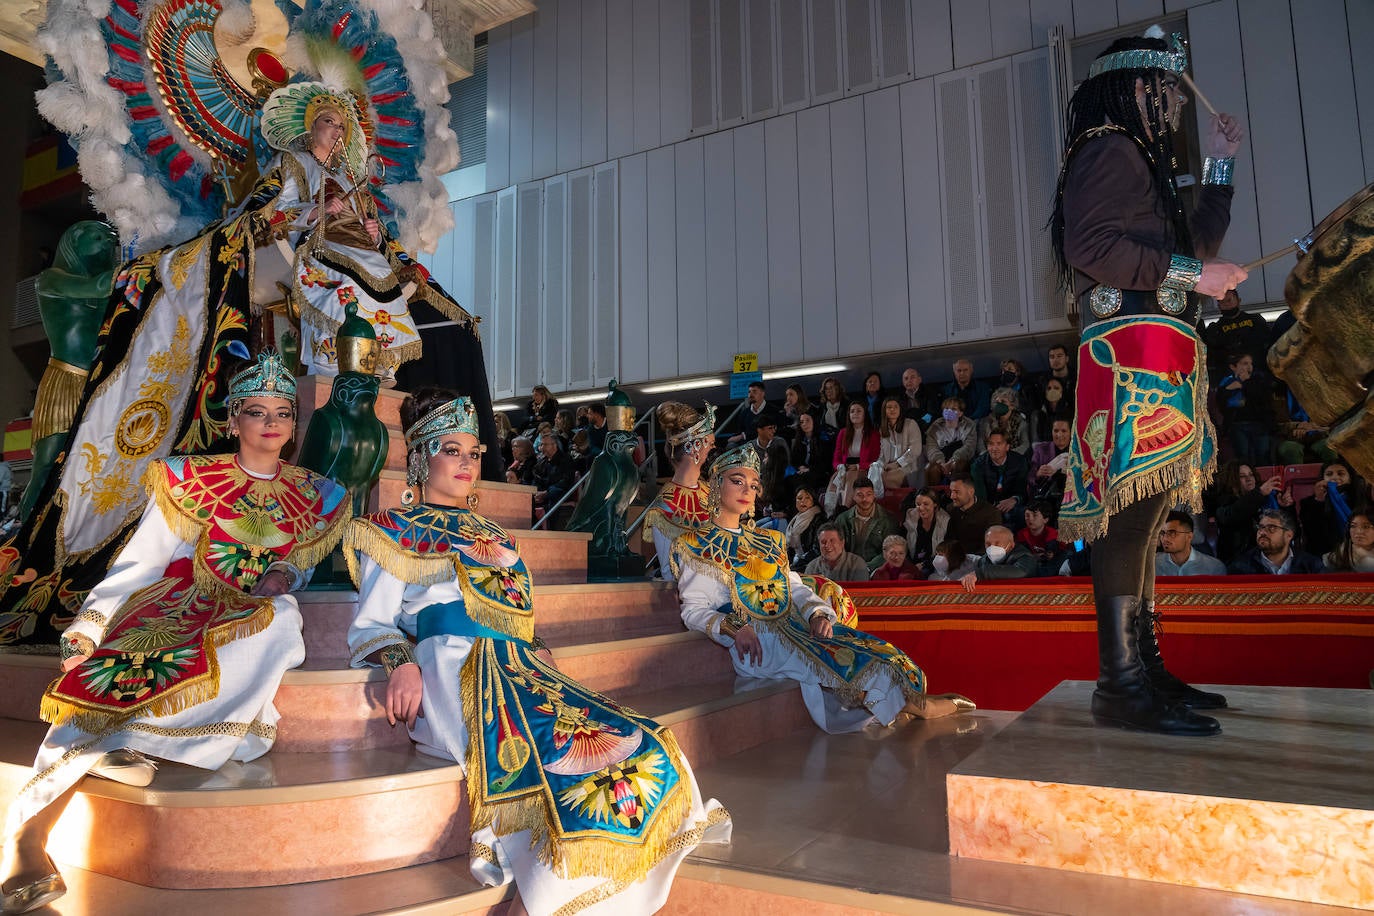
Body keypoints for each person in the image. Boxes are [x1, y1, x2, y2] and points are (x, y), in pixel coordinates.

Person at [346, 389, 729, 916]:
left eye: (474, 453)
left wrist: (538, 647)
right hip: (455, 670)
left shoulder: (494, 534)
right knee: (552, 763)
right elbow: (371, 624)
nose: (467, 463)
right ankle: (545, 893)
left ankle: (570, 886)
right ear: (420, 455)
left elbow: (517, 614)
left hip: (519, 665)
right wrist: (401, 662)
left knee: (640, 741)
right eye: (451, 450)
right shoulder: (390, 530)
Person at [0, 352, 350, 914]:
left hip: (247, 613)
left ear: (294, 422)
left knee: (284, 617)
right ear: (233, 421)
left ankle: (131, 739)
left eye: (282, 411)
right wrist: (91, 625)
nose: (271, 422)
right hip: (175, 603)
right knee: (107, 682)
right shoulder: (189, 478)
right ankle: (29, 831)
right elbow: (140, 562)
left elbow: (299, 560)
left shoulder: (316, 493)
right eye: (256, 412)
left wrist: (288, 572)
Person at [1050, 30, 1248, 735]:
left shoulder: (1137, 160)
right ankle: (1120, 683)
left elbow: (1190, 249)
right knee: (1132, 513)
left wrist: (1217, 168)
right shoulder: (1109, 145)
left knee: (1155, 503)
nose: (1171, 106)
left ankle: (1144, 671)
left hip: (1155, 344)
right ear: (1138, 87)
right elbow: (1092, 247)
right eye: (1165, 92)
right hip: (1128, 350)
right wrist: (1198, 277)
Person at [671, 445, 973, 733]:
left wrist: (817, 612)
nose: (747, 491)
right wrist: (735, 629)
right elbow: (694, 609)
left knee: (874, 649)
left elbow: (792, 587)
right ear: (716, 485)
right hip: (761, 643)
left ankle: (907, 702)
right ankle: (921, 707)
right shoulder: (694, 545)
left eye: (753, 485)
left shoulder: (768, 540)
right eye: (737, 481)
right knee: (848, 660)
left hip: (797, 625)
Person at [642, 402, 716, 579]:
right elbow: (670, 571)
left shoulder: (712, 491)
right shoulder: (665, 506)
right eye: (710, 443)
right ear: (694, 448)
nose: (713, 449)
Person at [1214, 352, 1276, 467]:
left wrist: (1245, 383)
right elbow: (1221, 404)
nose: (1249, 367)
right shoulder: (1227, 382)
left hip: (1259, 423)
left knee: (1262, 454)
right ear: (1233, 367)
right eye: (1244, 363)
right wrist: (1229, 388)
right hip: (1237, 424)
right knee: (1243, 454)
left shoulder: (1258, 380)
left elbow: (1261, 400)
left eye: (1250, 364)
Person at [1298, 459, 1368, 558]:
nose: (1334, 477)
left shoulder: (1361, 500)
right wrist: (1319, 501)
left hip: (1360, 552)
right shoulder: (1309, 503)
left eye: (1341, 474)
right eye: (1329, 474)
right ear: (1322, 478)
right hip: (1325, 554)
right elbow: (1312, 533)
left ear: (1350, 478)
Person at [1227, 508, 1323, 575]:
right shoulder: (1240, 567)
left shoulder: (1312, 565)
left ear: (1288, 535)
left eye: (1272, 528)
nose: (1263, 532)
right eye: (1261, 527)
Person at [1202, 289, 1270, 377]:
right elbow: (1214, 357)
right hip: (1231, 377)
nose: (1226, 304)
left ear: (1238, 300)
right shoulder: (1215, 329)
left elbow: (1266, 345)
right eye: (1221, 302)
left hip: (1258, 372)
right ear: (1218, 305)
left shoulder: (1255, 320)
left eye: (1229, 300)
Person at [970, 430, 1029, 526]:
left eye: (999, 444)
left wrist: (1014, 499)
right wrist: (994, 509)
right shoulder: (978, 465)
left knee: (1022, 514)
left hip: (1012, 504)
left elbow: (1022, 491)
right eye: (991, 444)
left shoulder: (1020, 462)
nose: (994, 448)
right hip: (989, 506)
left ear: (1007, 447)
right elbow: (980, 496)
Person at [834, 478, 898, 565]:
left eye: (868, 494)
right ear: (853, 496)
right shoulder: (842, 519)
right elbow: (836, 546)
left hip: (876, 568)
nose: (864, 499)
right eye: (860, 495)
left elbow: (890, 549)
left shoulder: (887, 519)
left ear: (874, 495)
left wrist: (868, 567)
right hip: (848, 566)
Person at [959, 525, 1037, 591]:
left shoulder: (1025, 556)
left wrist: (979, 573)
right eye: (988, 544)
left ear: (1011, 545)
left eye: (997, 543)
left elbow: (1021, 571)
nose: (992, 547)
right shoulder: (983, 560)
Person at [923, 397, 978, 485]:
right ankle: (934, 495)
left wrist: (953, 460)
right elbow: (931, 448)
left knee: (959, 465)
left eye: (953, 409)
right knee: (930, 468)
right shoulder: (934, 427)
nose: (949, 412)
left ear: (960, 413)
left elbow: (969, 447)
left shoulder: (969, 425)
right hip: (941, 460)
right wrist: (941, 462)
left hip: (959, 459)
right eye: (946, 409)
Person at [945, 475, 1002, 558]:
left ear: (971, 492)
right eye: (951, 491)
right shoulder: (951, 509)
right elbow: (949, 539)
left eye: (957, 492)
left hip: (979, 560)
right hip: (954, 559)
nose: (952, 496)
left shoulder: (991, 513)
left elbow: (992, 545)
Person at [1156, 510, 1226, 576]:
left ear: (1189, 536)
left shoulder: (1214, 567)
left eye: (1172, 533)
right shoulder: (1152, 563)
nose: (1165, 538)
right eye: (1162, 533)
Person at [877, 396, 923, 489]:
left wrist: (897, 464)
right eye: (889, 407)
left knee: (886, 478)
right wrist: (882, 466)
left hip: (908, 466)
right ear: (884, 411)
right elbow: (880, 453)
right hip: (888, 466)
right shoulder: (882, 429)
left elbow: (915, 450)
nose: (892, 409)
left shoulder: (910, 424)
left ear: (900, 409)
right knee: (875, 477)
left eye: (895, 407)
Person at [751, 412, 791, 518]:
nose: (773, 431)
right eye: (770, 428)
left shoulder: (780, 442)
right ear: (760, 430)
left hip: (777, 482)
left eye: (774, 428)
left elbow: (785, 465)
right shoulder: (751, 447)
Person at [1028, 418, 1072, 510]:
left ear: (1071, 432)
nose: (1059, 435)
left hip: (1070, 497)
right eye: (1056, 431)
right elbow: (1030, 478)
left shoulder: (1077, 451)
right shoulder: (1040, 449)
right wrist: (1038, 474)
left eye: (1064, 431)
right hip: (1046, 498)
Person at [804, 524, 869, 582]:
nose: (827, 545)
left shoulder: (857, 564)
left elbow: (860, 593)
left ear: (842, 543)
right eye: (823, 542)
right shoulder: (812, 567)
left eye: (832, 541)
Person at [530, 433, 574, 517]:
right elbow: (536, 479)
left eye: (545, 445)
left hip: (558, 493)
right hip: (543, 493)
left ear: (555, 445)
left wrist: (546, 493)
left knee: (554, 493)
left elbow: (565, 481)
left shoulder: (566, 460)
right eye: (541, 445)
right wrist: (536, 492)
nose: (542, 448)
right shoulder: (541, 463)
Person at [788, 411, 831, 497]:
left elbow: (825, 463)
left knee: (805, 479)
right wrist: (800, 467)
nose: (805, 424)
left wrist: (809, 469)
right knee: (790, 479)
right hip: (802, 471)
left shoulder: (823, 438)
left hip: (818, 471)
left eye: (808, 420)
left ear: (814, 421)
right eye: (802, 422)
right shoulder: (798, 440)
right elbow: (794, 460)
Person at [1016, 500, 1063, 576]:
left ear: (1045, 519)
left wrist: (1049, 554)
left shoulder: (1051, 532)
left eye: (1035, 515)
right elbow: (1022, 552)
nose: (1030, 519)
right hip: (1033, 562)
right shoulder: (1022, 533)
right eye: (1027, 515)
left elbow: (1052, 549)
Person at [785, 485, 825, 571]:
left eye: (807, 498)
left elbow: (817, 550)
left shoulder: (819, 520)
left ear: (813, 500)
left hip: (811, 563)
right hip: (795, 561)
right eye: (799, 498)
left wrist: (796, 565)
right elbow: (790, 549)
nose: (803, 501)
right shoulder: (795, 519)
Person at [1030, 377, 1074, 445]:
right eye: (1049, 388)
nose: (1052, 391)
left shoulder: (1071, 413)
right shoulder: (1039, 415)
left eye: (1056, 388)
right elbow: (1036, 441)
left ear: (1062, 392)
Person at [897, 367, 937, 431]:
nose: (909, 380)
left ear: (919, 380)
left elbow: (930, 414)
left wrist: (917, 425)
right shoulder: (899, 398)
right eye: (906, 378)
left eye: (912, 377)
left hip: (925, 427)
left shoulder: (929, 393)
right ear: (903, 382)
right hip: (907, 429)